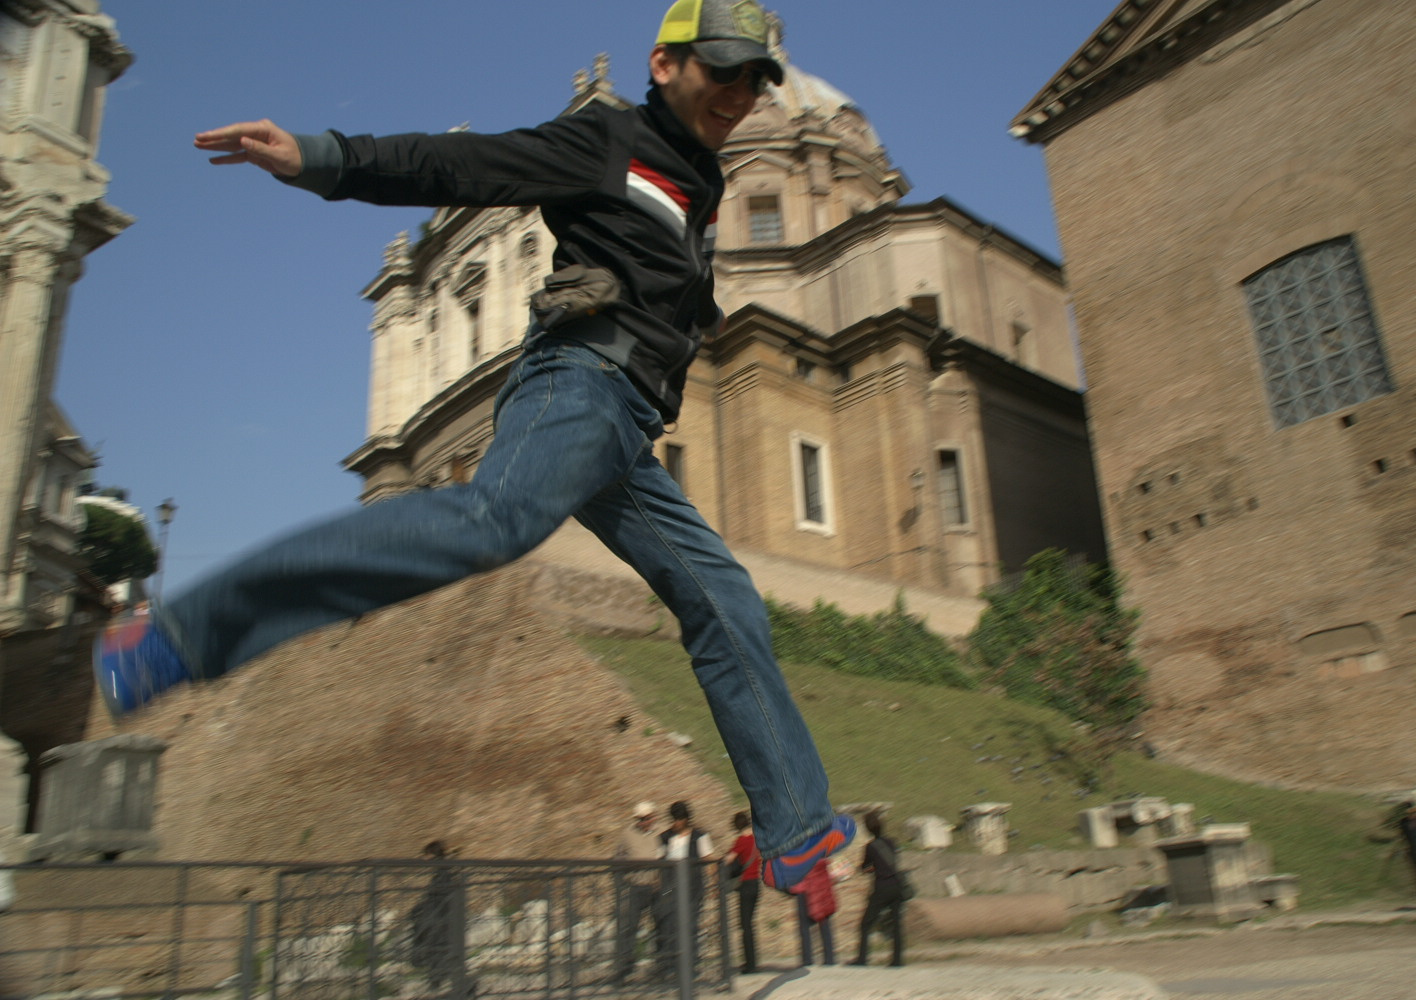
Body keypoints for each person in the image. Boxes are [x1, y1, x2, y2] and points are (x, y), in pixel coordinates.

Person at [93, 0, 853, 891]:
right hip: (578, 385)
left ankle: (795, 827)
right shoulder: (612, 140)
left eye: (754, 78)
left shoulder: (698, 183)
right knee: (496, 520)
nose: (739, 91)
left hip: (627, 427)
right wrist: (325, 157)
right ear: (664, 66)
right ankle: (174, 637)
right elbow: (467, 164)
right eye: (721, 68)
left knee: (724, 600)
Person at [655, 800, 714, 976]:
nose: (677, 822)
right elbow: (658, 863)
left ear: (686, 819)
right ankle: (668, 966)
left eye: (680, 819)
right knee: (670, 925)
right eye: (674, 819)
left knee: (691, 926)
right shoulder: (664, 838)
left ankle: (691, 965)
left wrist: (713, 883)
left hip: (693, 888)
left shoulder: (699, 837)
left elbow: (709, 860)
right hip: (670, 889)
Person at [409, 840, 473, 997]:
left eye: (426, 855)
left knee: (440, 958)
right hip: (446, 924)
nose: (423, 859)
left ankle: (442, 988)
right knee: (448, 959)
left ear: (431, 855)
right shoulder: (447, 871)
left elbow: (438, 899)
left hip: (441, 925)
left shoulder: (443, 874)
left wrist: (419, 911)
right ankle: (454, 988)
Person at [612, 801, 664, 982]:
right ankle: (625, 968)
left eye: (647, 818)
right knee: (629, 927)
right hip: (636, 886)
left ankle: (662, 966)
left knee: (660, 925)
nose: (644, 822)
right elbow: (618, 858)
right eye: (641, 819)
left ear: (653, 817)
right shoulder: (628, 834)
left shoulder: (661, 833)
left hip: (656, 886)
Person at [850, 811, 904, 967]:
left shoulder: (870, 847)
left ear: (868, 829)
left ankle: (862, 958)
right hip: (897, 885)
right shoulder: (892, 842)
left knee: (866, 923)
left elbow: (865, 867)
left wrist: (869, 869)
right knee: (896, 924)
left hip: (882, 886)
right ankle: (897, 960)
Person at [723, 810, 761, 974]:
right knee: (750, 924)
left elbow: (728, 859)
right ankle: (752, 961)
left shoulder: (741, 841)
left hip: (745, 884)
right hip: (756, 884)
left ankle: (750, 964)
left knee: (745, 925)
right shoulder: (758, 839)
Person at [792, 857, 837, 966]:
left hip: (804, 887)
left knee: (804, 926)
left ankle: (807, 959)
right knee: (824, 923)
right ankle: (829, 958)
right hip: (821, 886)